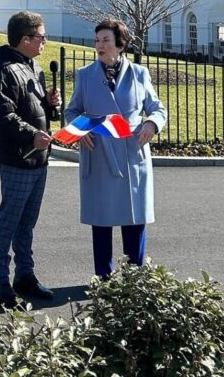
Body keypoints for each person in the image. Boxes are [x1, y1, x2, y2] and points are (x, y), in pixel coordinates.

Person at [64, 18, 167, 280]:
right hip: (99, 153)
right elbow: (73, 110)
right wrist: (80, 129)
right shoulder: (85, 75)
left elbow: (157, 108)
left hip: (131, 153)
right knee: (101, 220)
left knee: (134, 219)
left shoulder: (139, 74)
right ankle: (104, 277)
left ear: (120, 44)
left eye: (106, 40)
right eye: (97, 40)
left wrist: (152, 124)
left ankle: (135, 279)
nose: (100, 45)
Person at [0, 10, 61, 308]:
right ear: (25, 39)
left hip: (39, 158)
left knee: (27, 222)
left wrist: (50, 104)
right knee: (9, 221)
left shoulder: (34, 67)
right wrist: (32, 134)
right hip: (17, 158)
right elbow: (4, 115)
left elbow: (37, 110)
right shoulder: (3, 70)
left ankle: (25, 274)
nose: (45, 41)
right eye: (41, 36)